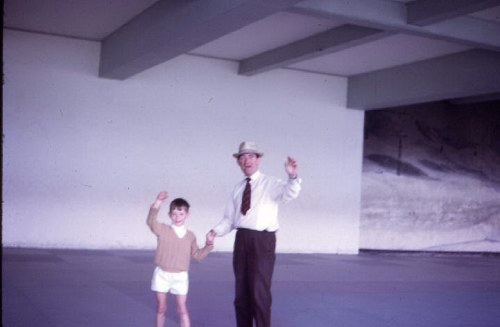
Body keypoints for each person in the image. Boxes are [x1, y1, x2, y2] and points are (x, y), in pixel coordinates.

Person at [208, 141, 301, 327]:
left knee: (259, 294)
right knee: (241, 295)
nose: (246, 160)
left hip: (262, 241)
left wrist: (292, 176)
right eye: (242, 157)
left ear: (258, 159)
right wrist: (214, 231)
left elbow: (290, 194)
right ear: (238, 163)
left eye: (250, 156)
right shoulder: (237, 188)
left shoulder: (271, 183)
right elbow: (229, 219)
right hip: (241, 240)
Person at [147, 191, 215, 327]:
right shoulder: (162, 229)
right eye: (174, 214)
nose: (177, 217)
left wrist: (208, 244)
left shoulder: (190, 236)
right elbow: (151, 221)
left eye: (181, 213)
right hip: (162, 274)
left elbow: (197, 255)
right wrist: (158, 201)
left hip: (180, 277)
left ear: (187, 215)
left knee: (182, 309)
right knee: (161, 308)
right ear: (169, 215)